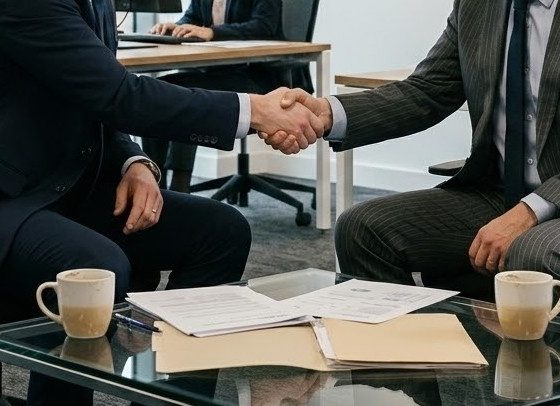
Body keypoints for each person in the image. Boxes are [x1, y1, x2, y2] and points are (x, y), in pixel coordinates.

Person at [0, 0, 322, 403]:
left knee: (221, 231)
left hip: (59, 184)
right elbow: (116, 94)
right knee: (94, 268)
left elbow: (90, 97)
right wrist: (255, 110)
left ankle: (170, 396)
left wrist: (135, 162)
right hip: (12, 197)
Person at [272, 0, 560, 300]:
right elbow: (428, 89)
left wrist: (529, 212)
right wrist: (326, 114)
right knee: (362, 229)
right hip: (497, 192)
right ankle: (408, 344)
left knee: (530, 253)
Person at [144, 0, 286, 192]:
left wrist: (212, 32)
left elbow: (264, 26)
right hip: (217, 74)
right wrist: (177, 27)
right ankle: (153, 181)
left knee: (187, 94)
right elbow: (192, 18)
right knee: (159, 89)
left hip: (257, 77)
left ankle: (180, 186)